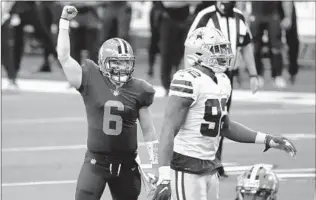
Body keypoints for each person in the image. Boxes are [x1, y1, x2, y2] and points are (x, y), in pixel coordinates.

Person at [152, 27, 296, 200]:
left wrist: (267, 139)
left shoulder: (222, 81)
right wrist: (164, 177)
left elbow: (225, 126)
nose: (224, 54)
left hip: (210, 167)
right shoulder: (188, 80)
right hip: (186, 168)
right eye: (217, 49)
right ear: (198, 53)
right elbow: (168, 130)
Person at [57, 6, 159, 200]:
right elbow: (64, 57)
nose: (122, 67)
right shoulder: (90, 79)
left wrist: (155, 165)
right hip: (96, 162)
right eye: (116, 62)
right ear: (104, 62)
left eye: (125, 62)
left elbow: (149, 131)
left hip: (127, 164)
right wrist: (64, 22)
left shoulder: (139, 89)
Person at [187, 1, 260, 177]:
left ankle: (215, 161)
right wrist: (190, 75)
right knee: (201, 118)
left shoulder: (239, 17)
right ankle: (196, 158)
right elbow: (189, 46)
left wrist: (253, 74)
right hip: (207, 73)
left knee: (221, 119)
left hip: (227, 77)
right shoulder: (205, 15)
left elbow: (246, 45)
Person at [248, 1, 293, 89]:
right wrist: (242, 13)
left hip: (273, 14)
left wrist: (288, 16)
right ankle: (257, 76)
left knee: (276, 46)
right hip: (256, 13)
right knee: (255, 46)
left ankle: (277, 76)